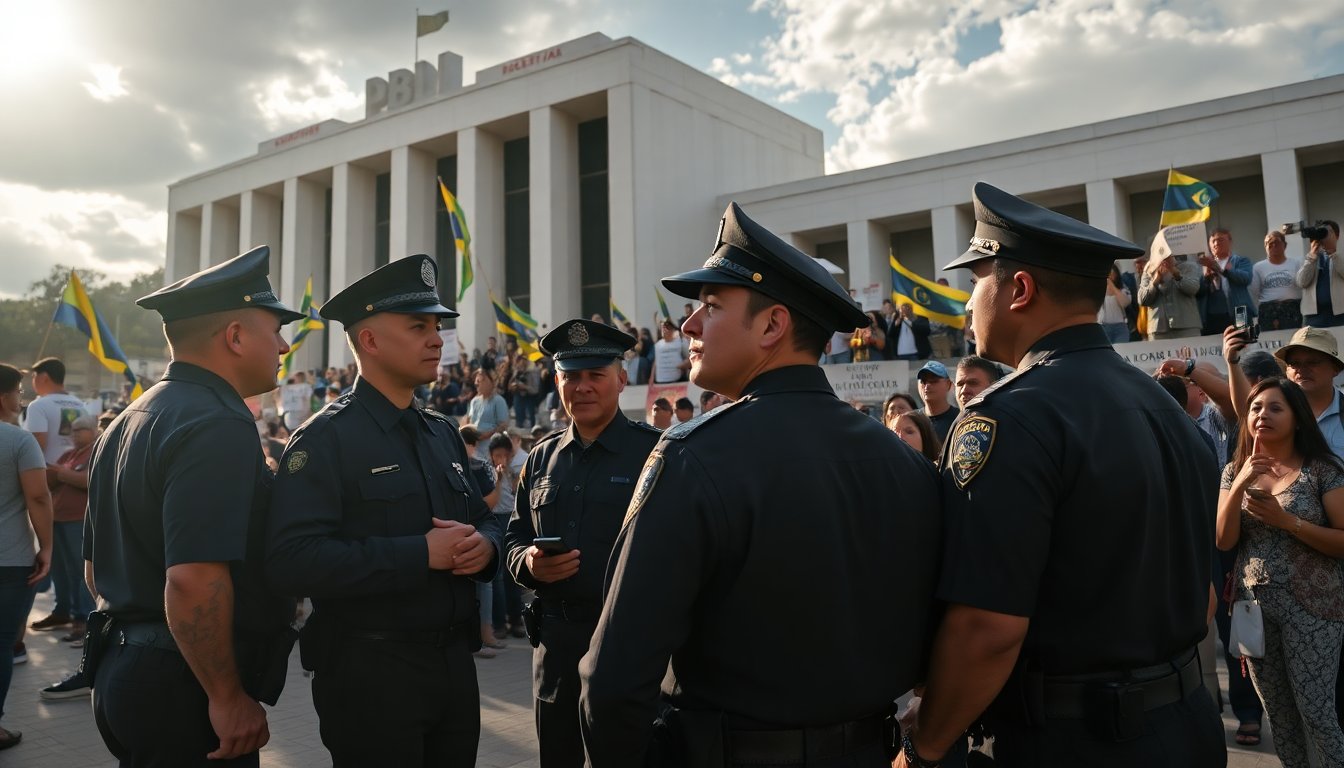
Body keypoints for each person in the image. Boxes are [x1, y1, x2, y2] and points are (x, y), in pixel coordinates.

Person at [580, 202, 942, 767]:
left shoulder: (694, 456)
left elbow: (614, 679)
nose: (688, 325)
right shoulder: (903, 461)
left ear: (773, 325)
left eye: (711, 306)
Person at [898, 182, 1223, 768]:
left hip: (1073, 741)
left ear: (1019, 289)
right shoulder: (1164, 409)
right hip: (1187, 723)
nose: (968, 304)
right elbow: (1199, 601)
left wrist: (925, 746)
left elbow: (986, 627)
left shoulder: (1010, 416)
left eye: (977, 282)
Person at [266, 255, 501, 767]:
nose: (437, 339)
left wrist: (485, 547)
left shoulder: (442, 433)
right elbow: (292, 560)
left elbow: (484, 518)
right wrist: (420, 554)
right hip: (370, 673)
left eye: (437, 326)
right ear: (369, 341)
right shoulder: (325, 440)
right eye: (419, 326)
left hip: (454, 669)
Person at [84, 246, 304, 766]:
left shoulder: (128, 418)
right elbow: (192, 579)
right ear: (234, 336)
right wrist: (226, 697)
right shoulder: (216, 421)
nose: (284, 346)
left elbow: (95, 571)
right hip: (182, 684)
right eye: (274, 330)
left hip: (125, 666)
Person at [504, 319, 661, 768]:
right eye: (571, 376)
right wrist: (528, 563)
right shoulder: (542, 457)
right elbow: (515, 534)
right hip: (556, 647)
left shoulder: (657, 453)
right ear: (557, 382)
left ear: (621, 379)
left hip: (626, 646)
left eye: (595, 374)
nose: (583, 387)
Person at [1217, 376, 1344, 767]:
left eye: (1275, 408)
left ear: (1298, 417)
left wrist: (1288, 521)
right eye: (1255, 408)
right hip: (1254, 608)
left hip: (1315, 606)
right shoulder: (1233, 470)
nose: (1262, 415)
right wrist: (1239, 484)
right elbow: (1223, 541)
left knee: (1316, 713)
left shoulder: (1323, 470)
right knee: (1280, 717)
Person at [0, 363, 52, 750]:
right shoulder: (19, 441)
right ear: (4, 397)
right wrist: (46, 547)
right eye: (18, 391)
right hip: (10, 558)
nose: (22, 399)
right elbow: (37, 495)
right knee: (2, 643)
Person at [1196, 228, 1255, 336]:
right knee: (1212, 349)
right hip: (1211, 315)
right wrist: (1206, 277)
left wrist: (1222, 270)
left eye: (1220, 240)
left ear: (1230, 242)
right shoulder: (1203, 265)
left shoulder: (1240, 261)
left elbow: (1246, 279)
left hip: (1239, 312)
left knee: (1242, 343)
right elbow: (1198, 291)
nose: (1216, 243)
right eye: (1213, 241)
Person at [1138, 252, 1202, 340]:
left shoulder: (1188, 265)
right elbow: (1142, 300)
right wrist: (1155, 281)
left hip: (1187, 327)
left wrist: (1177, 275)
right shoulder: (1149, 268)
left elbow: (1193, 289)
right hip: (1158, 330)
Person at [1251, 229, 1304, 331]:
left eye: (1277, 242)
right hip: (1268, 311)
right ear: (1265, 247)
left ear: (1285, 245)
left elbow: (1302, 283)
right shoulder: (1258, 267)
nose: (1273, 245)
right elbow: (1254, 292)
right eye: (1269, 243)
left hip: (1292, 309)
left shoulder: (1296, 263)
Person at [1295, 220, 1343, 329]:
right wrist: (1312, 256)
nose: (1324, 235)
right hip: (1313, 317)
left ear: (1337, 235)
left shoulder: (1341, 256)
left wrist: (1333, 253)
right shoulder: (1310, 257)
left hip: (1340, 314)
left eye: (1327, 232)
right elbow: (1301, 282)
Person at [466, 368, 510, 460]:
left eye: (479, 381)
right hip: (474, 447)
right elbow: (469, 421)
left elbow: (503, 425)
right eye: (475, 381)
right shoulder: (474, 401)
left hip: (489, 447)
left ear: (490, 382)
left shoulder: (498, 401)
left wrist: (485, 435)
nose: (476, 383)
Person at [916, 360, 959, 443]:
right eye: (923, 381)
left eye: (933, 381)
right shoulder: (913, 420)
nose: (927, 385)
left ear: (948, 384)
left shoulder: (959, 419)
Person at [1097, 263, 1131, 344]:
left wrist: (1112, 286)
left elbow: (1125, 303)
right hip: (1103, 327)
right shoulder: (1097, 289)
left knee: (1121, 351)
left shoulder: (1123, 289)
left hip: (1120, 328)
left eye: (1112, 274)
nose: (1110, 277)